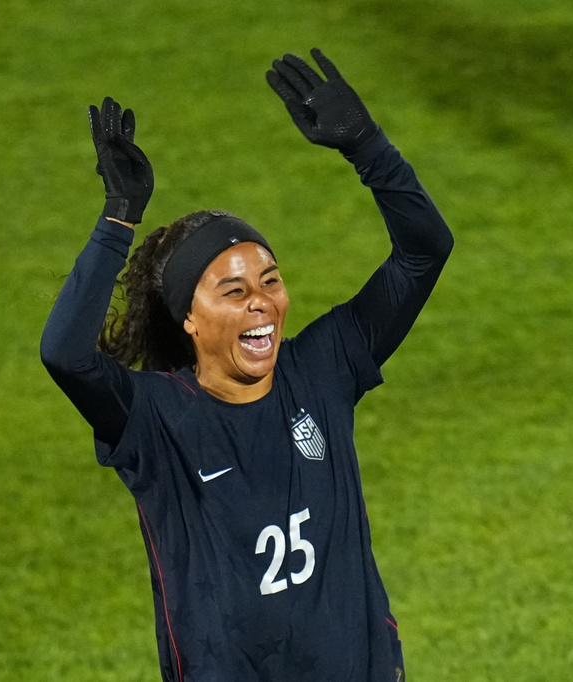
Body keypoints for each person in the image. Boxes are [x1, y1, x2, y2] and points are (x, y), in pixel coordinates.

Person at [41, 48, 453, 682]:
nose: (261, 303)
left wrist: (368, 146)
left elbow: (425, 251)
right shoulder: (155, 419)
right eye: (233, 292)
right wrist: (117, 217)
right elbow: (65, 355)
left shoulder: (323, 368)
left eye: (270, 280)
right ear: (190, 318)